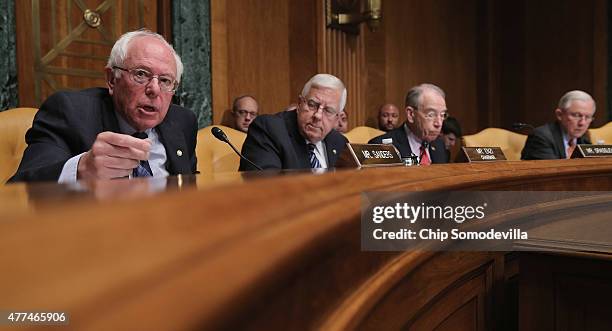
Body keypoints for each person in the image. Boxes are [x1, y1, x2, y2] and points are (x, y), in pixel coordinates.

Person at [8, 30, 197, 183]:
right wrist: (80, 170)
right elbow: (19, 190)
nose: (154, 89)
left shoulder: (182, 121)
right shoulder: (70, 112)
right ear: (111, 79)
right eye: (141, 74)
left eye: (165, 80)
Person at [239, 74, 348, 170]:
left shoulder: (339, 142)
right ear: (300, 103)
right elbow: (266, 186)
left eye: (328, 110)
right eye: (312, 105)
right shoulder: (269, 130)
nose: (318, 116)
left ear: (337, 117)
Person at [369, 83, 449, 165]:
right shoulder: (380, 147)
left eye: (442, 115)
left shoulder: (439, 145)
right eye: (431, 115)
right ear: (411, 114)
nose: (438, 123)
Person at [521, 90, 595, 160]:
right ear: (559, 114)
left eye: (588, 117)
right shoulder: (541, 137)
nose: (582, 123)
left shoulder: (584, 139)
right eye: (576, 115)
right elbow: (553, 170)